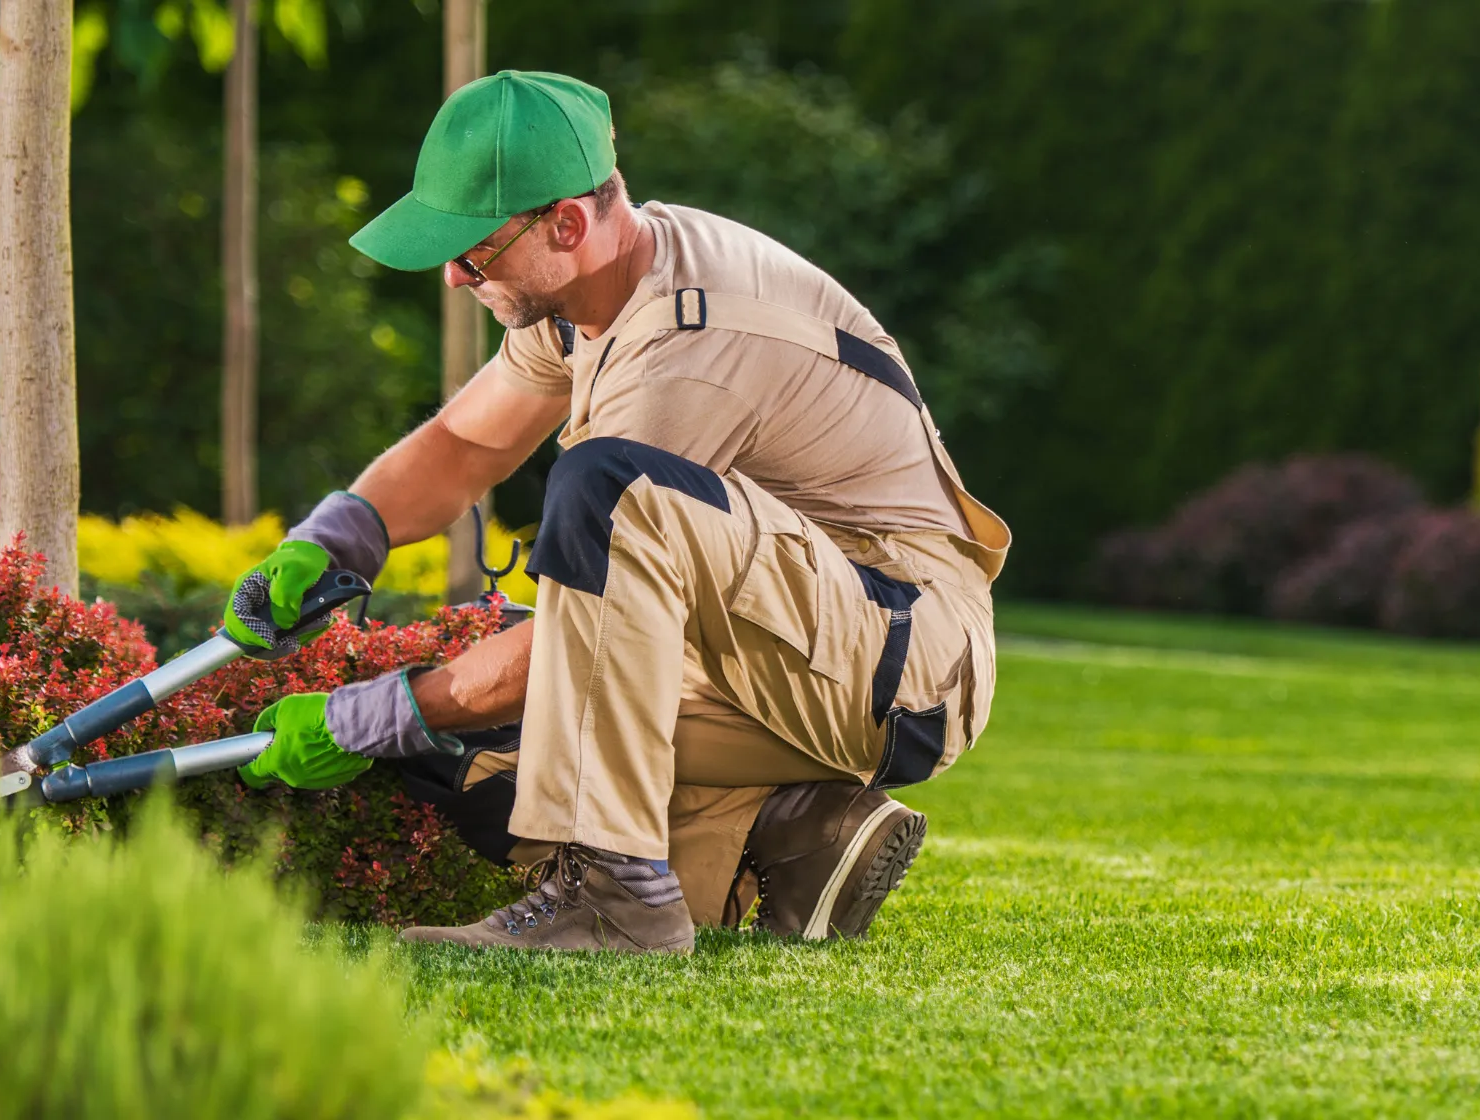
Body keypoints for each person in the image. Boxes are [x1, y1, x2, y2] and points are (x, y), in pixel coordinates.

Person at [224, 70, 1010, 955]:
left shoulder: (687, 347)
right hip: (789, 648)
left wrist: (370, 716)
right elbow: (467, 443)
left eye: (473, 252)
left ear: (565, 223)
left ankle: (617, 896)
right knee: (474, 762)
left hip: (899, 659)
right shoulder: (589, 292)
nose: (452, 276)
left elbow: (574, 637)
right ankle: (799, 832)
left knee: (599, 501)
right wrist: (336, 538)